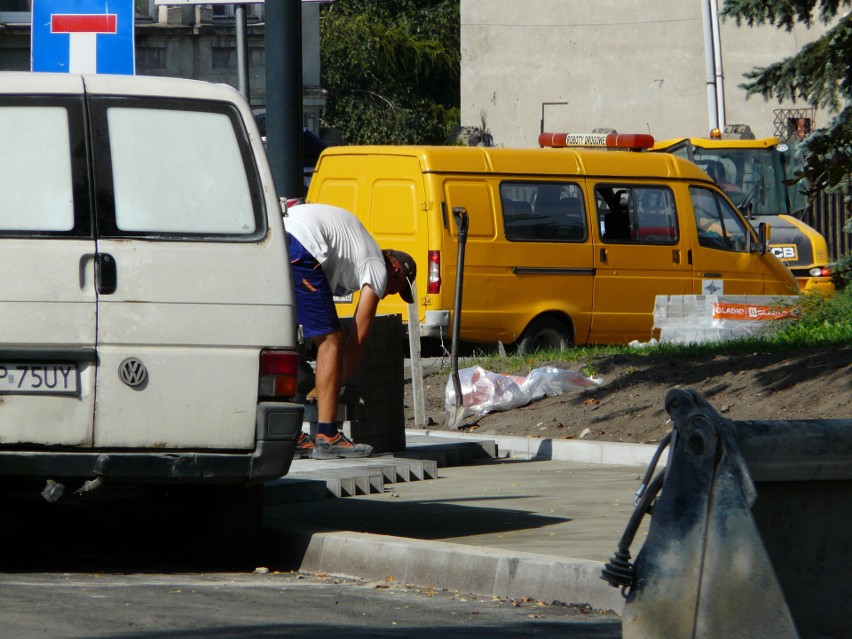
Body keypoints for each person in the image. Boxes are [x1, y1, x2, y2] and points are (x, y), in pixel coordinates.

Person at [284, 203, 417, 460]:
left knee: (283, 338)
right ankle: (327, 436)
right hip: (303, 246)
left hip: (279, 236)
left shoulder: (357, 250)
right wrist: (335, 385)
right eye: (396, 288)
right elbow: (358, 338)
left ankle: (288, 432)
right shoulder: (377, 266)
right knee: (332, 340)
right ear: (397, 270)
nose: (389, 294)